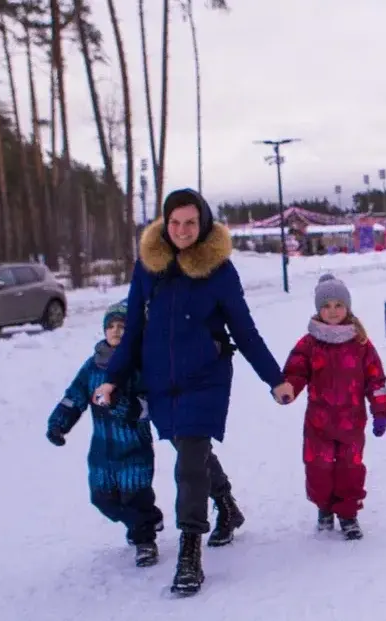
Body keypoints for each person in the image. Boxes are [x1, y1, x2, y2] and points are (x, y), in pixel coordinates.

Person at [94, 188, 295, 596]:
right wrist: (112, 378)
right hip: (161, 379)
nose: (182, 230)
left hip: (206, 377)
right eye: (175, 222)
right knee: (192, 452)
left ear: (202, 223)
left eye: (190, 222)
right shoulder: (148, 267)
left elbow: (244, 330)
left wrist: (275, 379)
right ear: (165, 224)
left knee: (188, 461)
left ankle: (190, 553)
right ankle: (227, 506)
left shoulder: (219, 270)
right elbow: (133, 330)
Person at [47, 300, 164, 567]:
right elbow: (74, 397)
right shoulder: (93, 367)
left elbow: (151, 405)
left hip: (134, 448)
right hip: (102, 450)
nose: (116, 331)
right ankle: (146, 519)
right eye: (110, 326)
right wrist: (58, 424)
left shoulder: (140, 364)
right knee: (102, 498)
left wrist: (124, 405)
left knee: (135, 496)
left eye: (122, 326)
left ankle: (144, 540)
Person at [281, 273, 386, 540]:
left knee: (350, 469)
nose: (332, 311)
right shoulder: (309, 344)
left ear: (347, 307)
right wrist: (288, 389)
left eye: (338, 305)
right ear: (318, 309)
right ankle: (324, 507)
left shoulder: (360, 343)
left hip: (352, 423)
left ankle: (348, 514)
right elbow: (295, 372)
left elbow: (376, 379)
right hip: (319, 423)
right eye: (326, 306)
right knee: (318, 467)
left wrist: (380, 410)